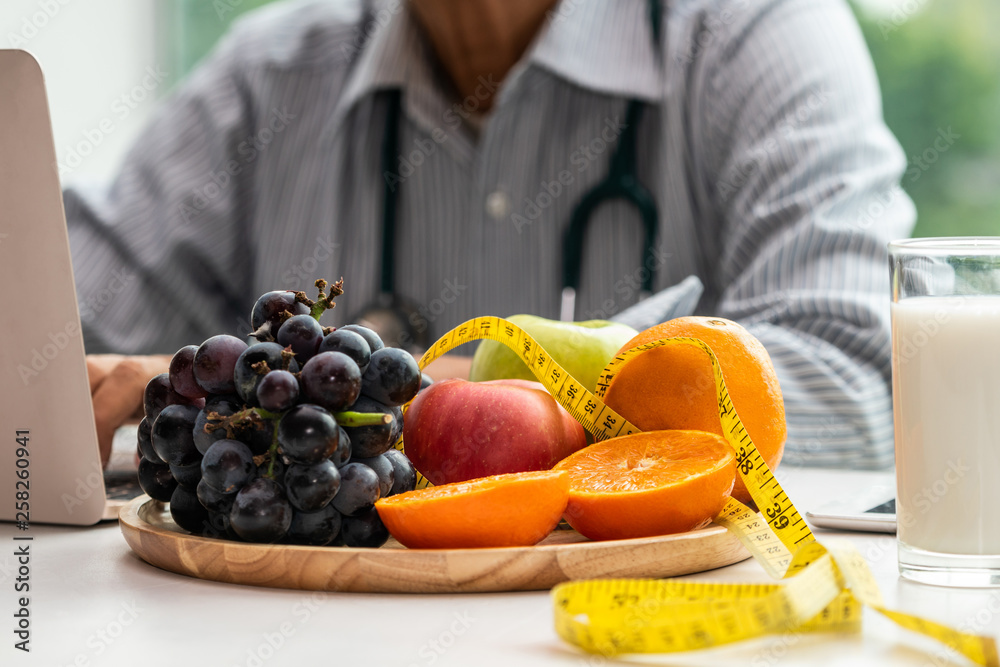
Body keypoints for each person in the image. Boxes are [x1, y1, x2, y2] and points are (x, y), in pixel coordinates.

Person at [70, 0, 914, 468]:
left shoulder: (754, 38)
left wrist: (425, 400)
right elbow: (56, 328)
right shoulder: (267, 76)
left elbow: (862, 389)